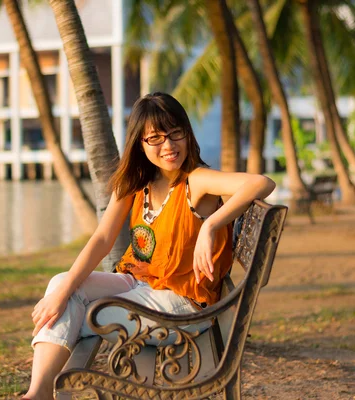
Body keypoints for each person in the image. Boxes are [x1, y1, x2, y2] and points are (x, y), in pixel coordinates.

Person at [23, 92, 276, 400]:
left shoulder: (196, 180)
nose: (168, 146)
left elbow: (261, 183)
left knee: (79, 311)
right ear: (140, 143)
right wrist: (63, 293)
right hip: (141, 284)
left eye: (175, 134)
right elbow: (102, 239)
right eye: (155, 138)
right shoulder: (136, 182)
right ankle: (38, 393)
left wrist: (210, 224)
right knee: (61, 285)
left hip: (183, 305)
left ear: (187, 133)